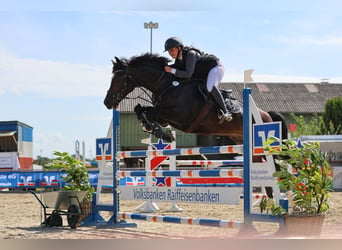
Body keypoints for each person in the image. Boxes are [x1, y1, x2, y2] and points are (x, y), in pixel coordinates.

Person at [163, 37, 232, 123]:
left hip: (215, 67)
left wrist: (171, 70)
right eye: (169, 51)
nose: (170, 53)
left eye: (172, 50)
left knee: (209, 87)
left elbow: (188, 74)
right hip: (205, 73)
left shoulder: (191, 54)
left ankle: (226, 112)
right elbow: (175, 70)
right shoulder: (179, 60)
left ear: (179, 48)